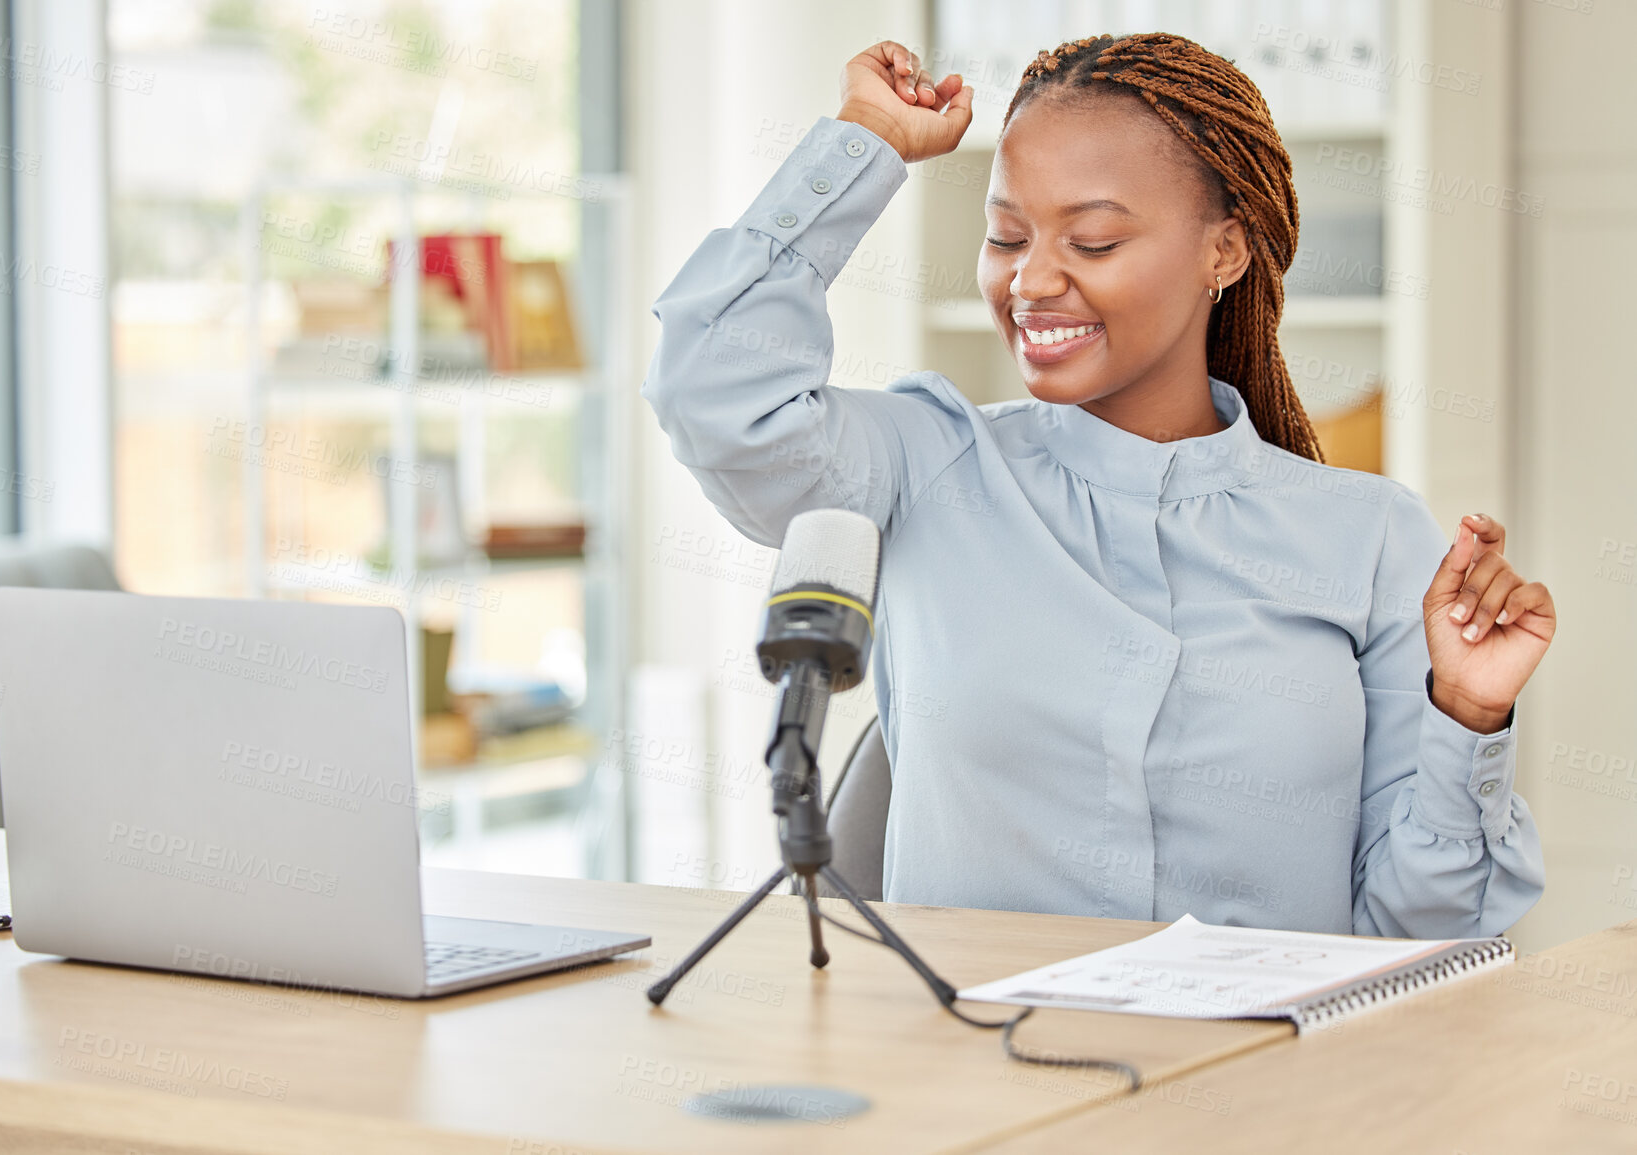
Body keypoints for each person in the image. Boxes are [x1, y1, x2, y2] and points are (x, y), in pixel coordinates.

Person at [641, 32, 1553, 938]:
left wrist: (1468, 715)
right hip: (979, 1062)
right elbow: (715, 389)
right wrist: (864, 141)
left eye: (1093, 239)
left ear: (1224, 253)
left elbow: (1419, 932)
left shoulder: (1371, 535)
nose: (1031, 280)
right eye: (1005, 236)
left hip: (1269, 1069)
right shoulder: (923, 465)